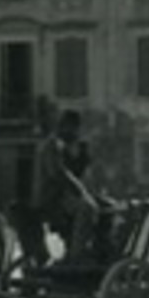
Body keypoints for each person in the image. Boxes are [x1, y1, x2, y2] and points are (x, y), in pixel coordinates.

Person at [36, 110, 101, 261]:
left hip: (60, 196)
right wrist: (82, 191)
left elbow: (74, 171)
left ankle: (94, 245)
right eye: (75, 128)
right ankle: (77, 255)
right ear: (66, 126)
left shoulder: (62, 145)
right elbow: (59, 174)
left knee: (103, 204)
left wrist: (83, 155)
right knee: (88, 208)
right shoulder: (52, 145)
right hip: (52, 198)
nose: (77, 132)